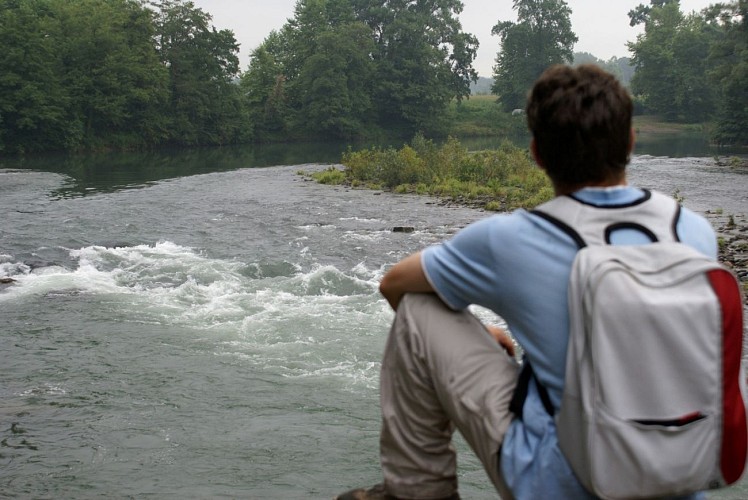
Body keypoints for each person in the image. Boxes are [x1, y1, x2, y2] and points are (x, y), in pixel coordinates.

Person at [335, 64, 717, 500]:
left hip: (558, 483)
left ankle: (417, 492)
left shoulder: (514, 238)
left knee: (421, 308)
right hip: (680, 476)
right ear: (630, 141)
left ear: (536, 153)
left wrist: (479, 330)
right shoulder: (694, 231)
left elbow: (393, 285)